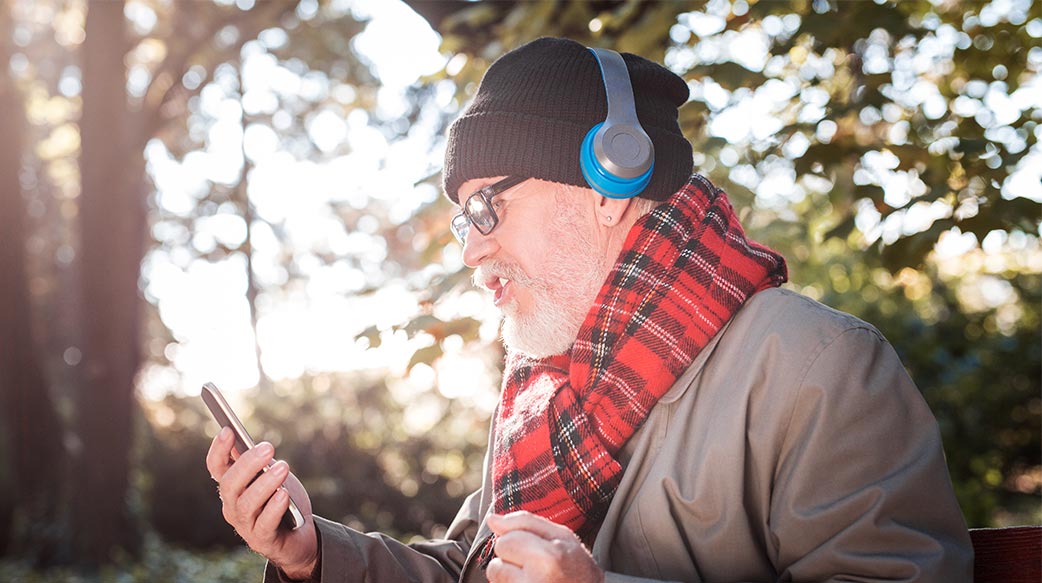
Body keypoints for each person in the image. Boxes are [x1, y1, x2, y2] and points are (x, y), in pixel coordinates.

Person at [206, 37, 973, 583]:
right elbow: (475, 569)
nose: (472, 250)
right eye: (463, 221)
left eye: (487, 208)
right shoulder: (540, 393)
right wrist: (313, 554)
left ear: (610, 179)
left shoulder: (821, 367)